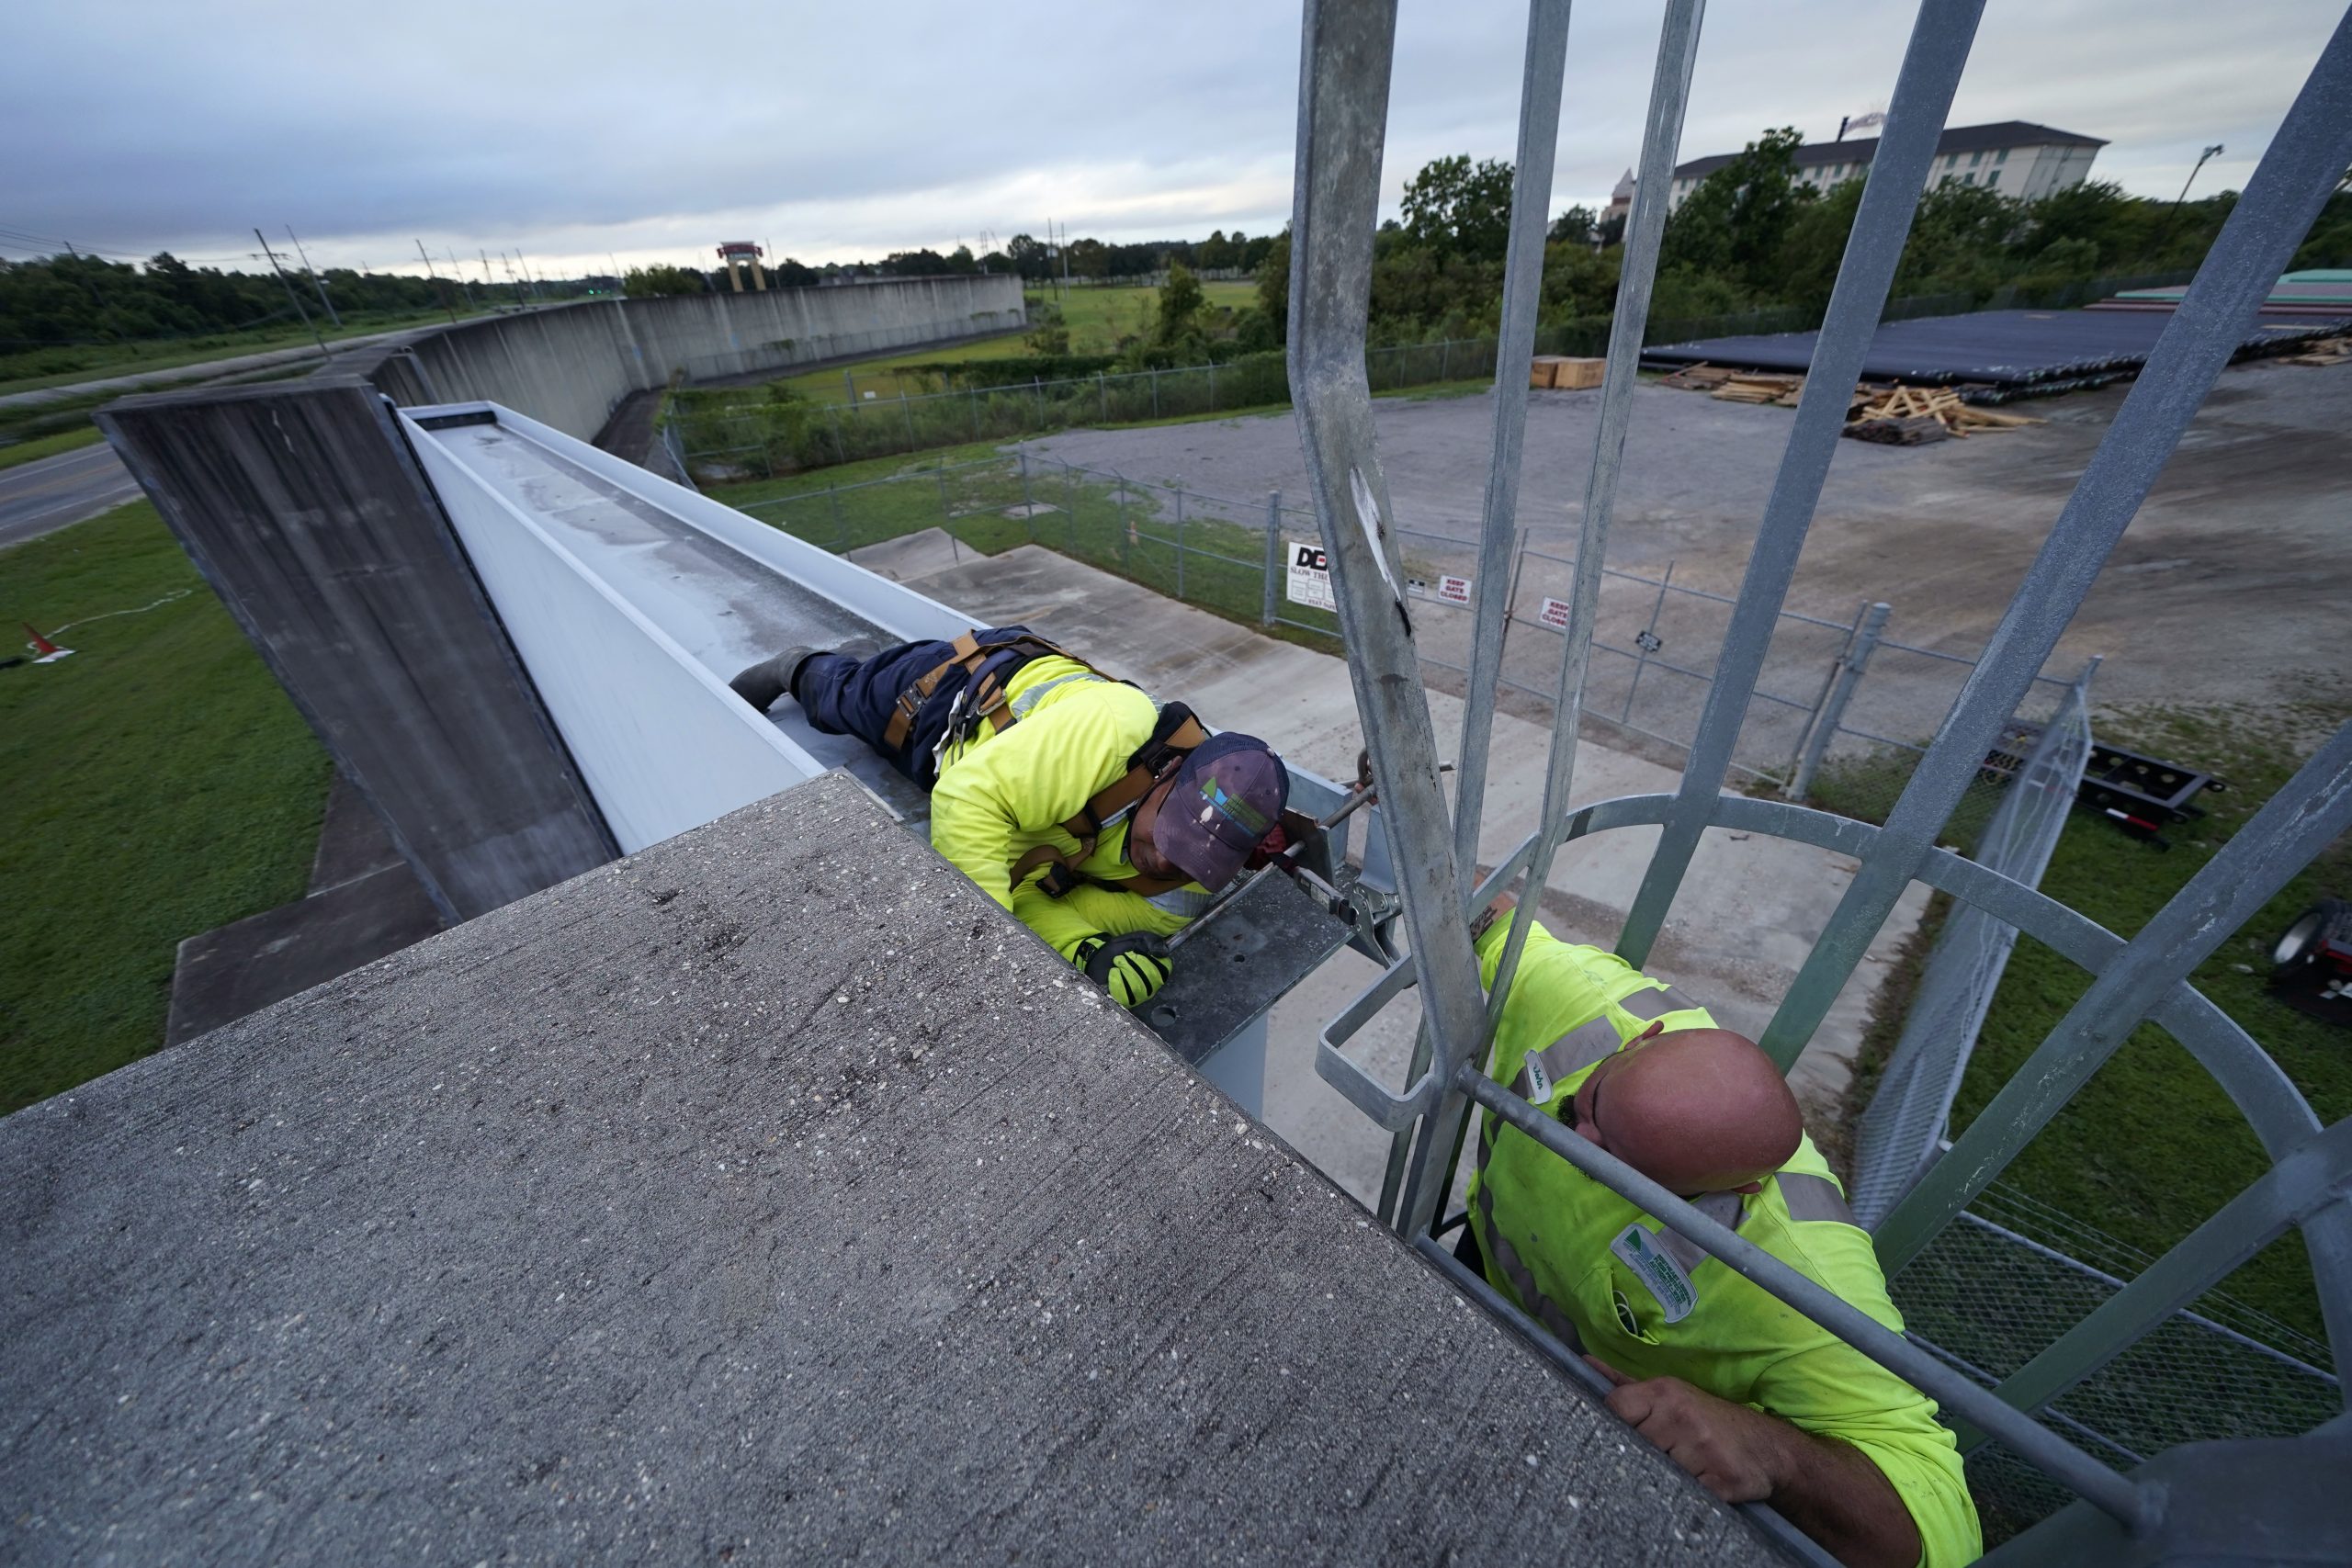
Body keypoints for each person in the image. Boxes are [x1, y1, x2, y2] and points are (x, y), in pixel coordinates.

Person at [1462, 899, 1980, 1568]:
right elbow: (1492, 915)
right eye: (1587, 1105)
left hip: (1598, 1428)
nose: (1576, 1144)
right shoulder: (1595, 1006)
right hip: (1473, 1281)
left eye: (1621, 1162)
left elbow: (1944, 1522)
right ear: (1644, 1038)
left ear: (1737, 1190)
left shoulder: (1802, 1277)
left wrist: (1776, 1453)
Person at [730, 627, 1288, 1011]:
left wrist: (1085, 955)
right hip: (943, 698)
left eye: (1195, 856)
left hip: (971, 768)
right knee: (840, 699)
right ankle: (800, 663)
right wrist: (990, 959)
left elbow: (1032, 901)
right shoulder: (1115, 727)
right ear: (1170, 774)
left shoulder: (1175, 898)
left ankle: (862, 656)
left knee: (869, 712)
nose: (1166, 859)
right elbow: (964, 800)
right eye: (1171, 833)